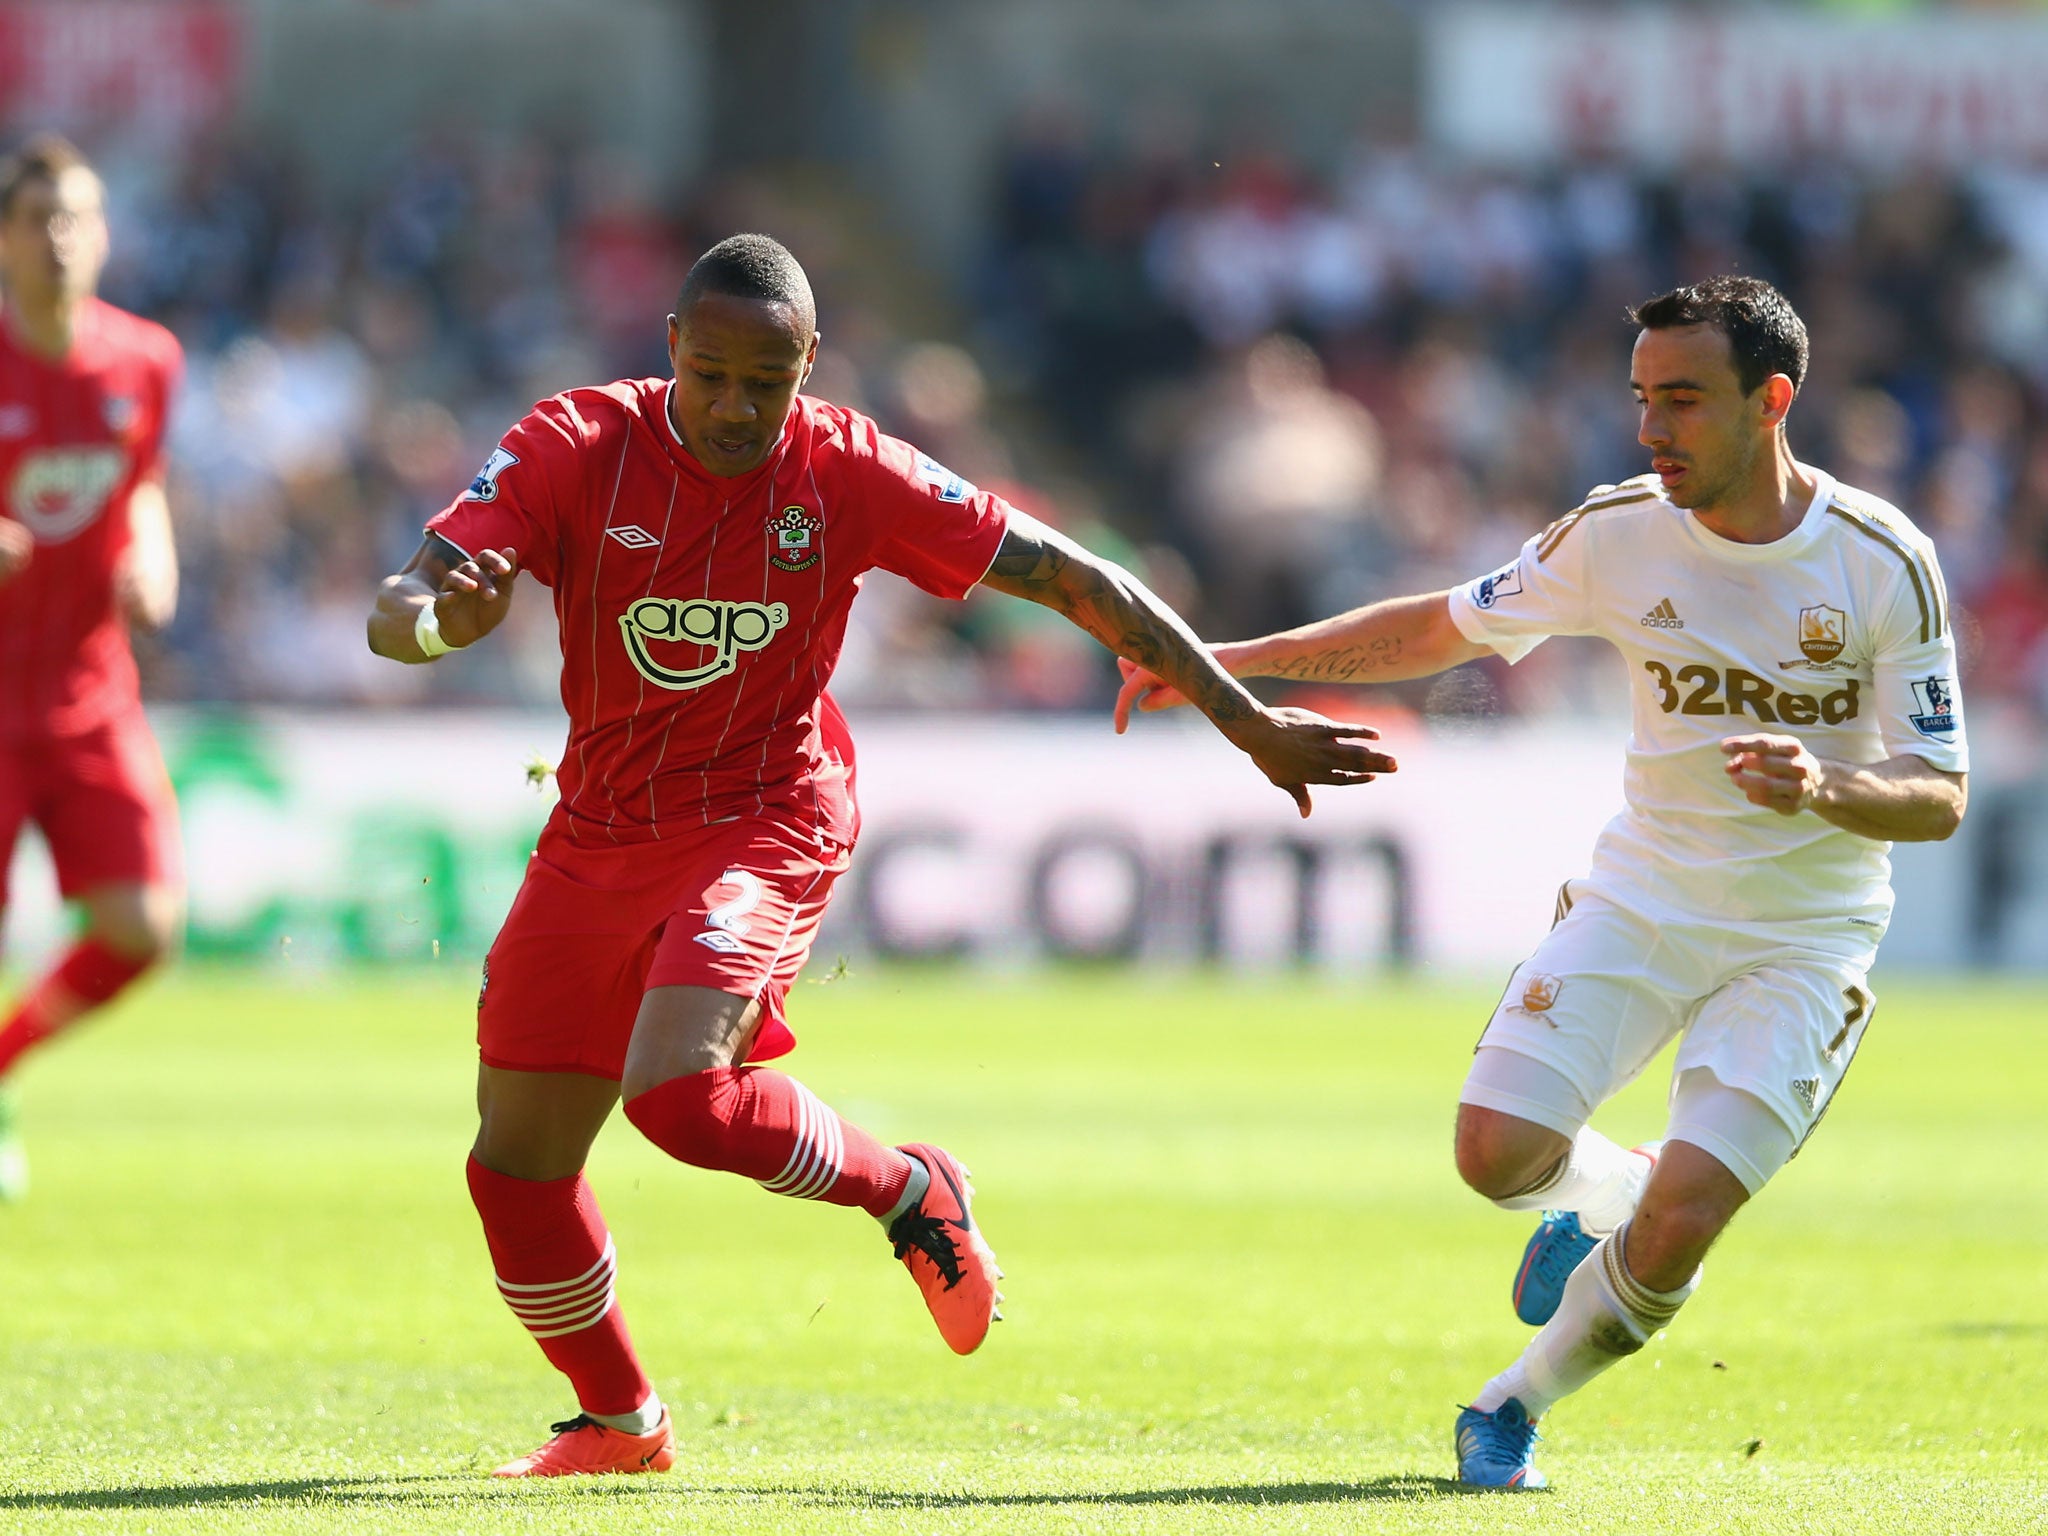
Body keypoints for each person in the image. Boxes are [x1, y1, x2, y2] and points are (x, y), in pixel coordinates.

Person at [366, 232, 1391, 1479]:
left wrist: (1248, 722)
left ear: (810, 368)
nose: (737, 408)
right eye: (712, 377)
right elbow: (403, 600)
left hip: (766, 811)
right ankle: (620, 1423)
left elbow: (1076, 577)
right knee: (514, 1172)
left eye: (767, 383)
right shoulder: (574, 442)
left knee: (678, 1096)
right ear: (669, 351)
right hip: (599, 828)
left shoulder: (846, 469)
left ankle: (908, 1189)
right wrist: (438, 630)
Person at [1115, 276, 1968, 1489]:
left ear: (1770, 401)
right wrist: (1227, 664)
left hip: (1804, 940)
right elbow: (1438, 631)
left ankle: (1509, 1404)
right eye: (1639, 399)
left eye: (1680, 400)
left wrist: (1824, 790)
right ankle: (1604, 1199)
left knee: (1680, 1226)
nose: (1648, 430)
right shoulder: (1614, 531)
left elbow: (1939, 793)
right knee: (1491, 1154)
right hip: (1643, 899)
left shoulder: (1884, 562)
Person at [0, 135, 185, 1202]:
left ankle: (3, 1060)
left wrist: (151, 556)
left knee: (142, 927)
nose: (61, 239)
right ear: (7, 240)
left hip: (86, 689)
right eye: (39, 220)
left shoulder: (145, 359)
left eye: (78, 218)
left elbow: (144, 484)